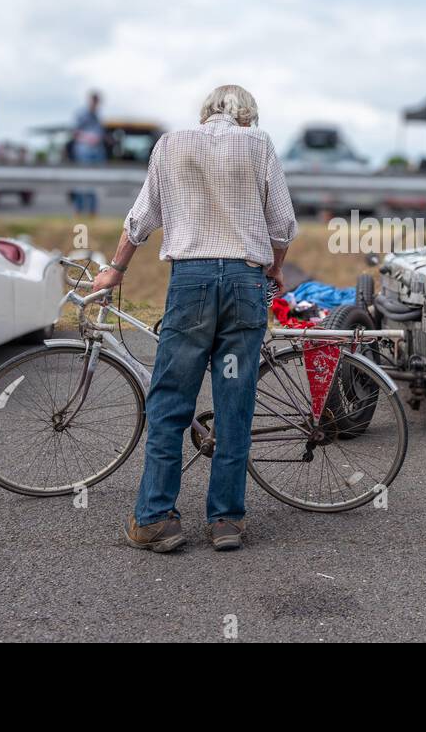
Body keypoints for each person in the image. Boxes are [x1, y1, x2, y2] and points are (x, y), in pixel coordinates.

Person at [91, 85, 297, 553]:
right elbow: (282, 224)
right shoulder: (258, 143)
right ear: (246, 116)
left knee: (169, 401)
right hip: (245, 283)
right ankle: (226, 520)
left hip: (191, 283)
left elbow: (140, 219)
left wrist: (115, 269)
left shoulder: (171, 144)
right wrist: (276, 269)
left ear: (206, 113)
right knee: (235, 400)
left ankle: (156, 519)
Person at [69, 91, 105, 215]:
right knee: (81, 181)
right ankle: (78, 210)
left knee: (94, 183)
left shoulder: (98, 115)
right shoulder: (81, 114)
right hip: (84, 150)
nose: (95, 103)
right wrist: (88, 138)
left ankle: (92, 211)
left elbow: (100, 133)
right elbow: (75, 132)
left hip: (96, 151)